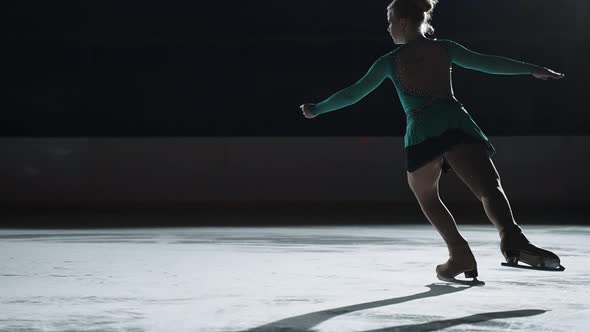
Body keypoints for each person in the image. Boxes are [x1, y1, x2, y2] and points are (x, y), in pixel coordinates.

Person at [300, 0, 565, 282]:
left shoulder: (389, 61)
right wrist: (532, 69)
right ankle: (512, 239)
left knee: (427, 195)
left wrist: (316, 109)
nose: (388, 27)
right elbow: (487, 63)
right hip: (456, 122)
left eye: (389, 21)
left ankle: (459, 252)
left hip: (423, 129)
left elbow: (353, 94)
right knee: (489, 187)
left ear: (402, 21)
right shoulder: (445, 48)